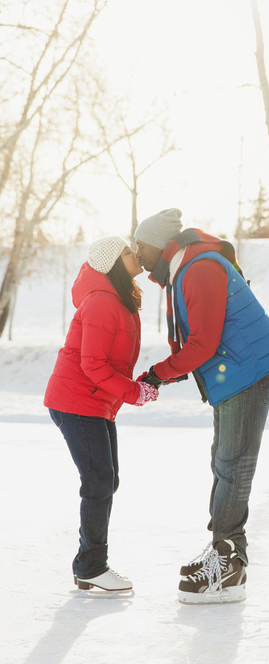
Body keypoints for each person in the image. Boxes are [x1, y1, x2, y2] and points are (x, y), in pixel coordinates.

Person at [134, 208, 269, 604]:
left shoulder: (199, 268)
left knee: (233, 463)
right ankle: (224, 549)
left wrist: (158, 372)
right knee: (224, 461)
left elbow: (203, 342)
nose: (138, 254)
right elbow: (201, 341)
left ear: (158, 244)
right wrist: (170, 370)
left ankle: (228, 561)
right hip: (233, 372)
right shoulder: (184, 268)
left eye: (140, 245)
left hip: (246, 370)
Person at [44, 236, 159, 592]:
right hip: (76, 403)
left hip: (95, 404)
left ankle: (89, 565)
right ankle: (92, 566)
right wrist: (133, 392)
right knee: (99, 481)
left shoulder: (120, 300)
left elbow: (112, 362)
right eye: (127, 252)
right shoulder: (101, 303)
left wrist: (136, 386)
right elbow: (92, 365)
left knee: (106, 480)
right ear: (112, 263)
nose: (135, 255)